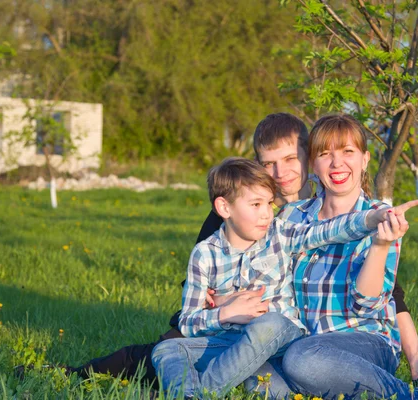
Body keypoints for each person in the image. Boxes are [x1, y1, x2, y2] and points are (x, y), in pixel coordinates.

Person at [67, 113, 418, 388]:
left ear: (307, 158)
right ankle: (78, 375)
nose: (280, 172)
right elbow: (202, 282)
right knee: (165, 353)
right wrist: (225, 305)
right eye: (268, 163)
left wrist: (416, 358)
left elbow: (388, 293)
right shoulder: (256, 212)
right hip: (240, 322)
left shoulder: (341, 216)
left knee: (293, 358)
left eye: (290, 159)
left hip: (304, 335)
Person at [150, 156, 401, 397]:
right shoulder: (204, 255)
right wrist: (224, 314)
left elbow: (327, 231)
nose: (266, 214)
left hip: (284, 337)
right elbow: (188, 322)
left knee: (267, 325)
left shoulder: (280, 234)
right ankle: (190, 393)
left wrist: (370, 218)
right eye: (255, 205)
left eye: (269, 204)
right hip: (236, 346)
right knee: (167, 350)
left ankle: (203, 392)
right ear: (224, 207)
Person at [255, 114, 418, 399]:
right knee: (258, 373)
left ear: (364, 159)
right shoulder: (292, 216)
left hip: (364, 342)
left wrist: (379, 246)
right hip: (305, 342)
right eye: (325, 154)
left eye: (347, 152)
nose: (337, 163)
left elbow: (366, 305)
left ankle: (409, 396)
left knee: (302, 360)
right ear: (313, 164)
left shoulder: (380, 217)